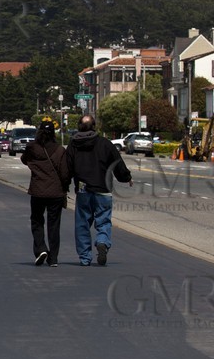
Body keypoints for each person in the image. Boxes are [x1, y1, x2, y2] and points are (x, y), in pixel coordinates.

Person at [67, 114, 132, 265]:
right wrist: (126, 177)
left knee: (82, 224)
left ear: (79, 126)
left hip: (83, 190)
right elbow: (118, 164)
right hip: (103, 189)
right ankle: (102, 241)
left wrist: (64, 186)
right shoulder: (105, 144)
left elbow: (67, 168)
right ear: (94, 126)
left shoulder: (73, 145)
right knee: (103, 221)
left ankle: (85, 258)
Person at [19, 118, 71, 266]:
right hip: (56, 192)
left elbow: (24, 160)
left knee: (37, 221)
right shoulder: (60, 150)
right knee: (54, 225)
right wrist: (65, 186)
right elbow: (65, 172)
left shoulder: (32, 147)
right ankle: (53, 258)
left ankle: (41, 248)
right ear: (53, 133)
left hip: (37, 190)